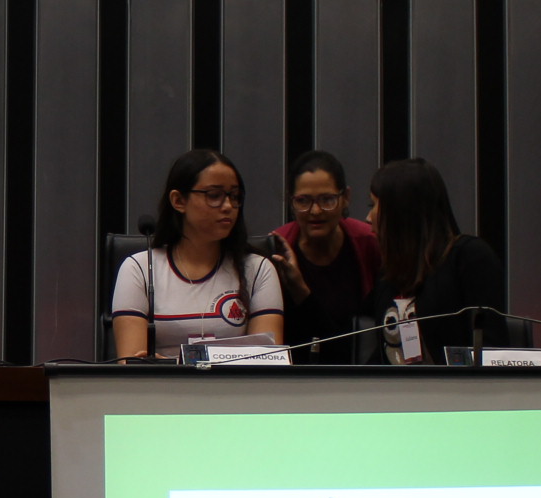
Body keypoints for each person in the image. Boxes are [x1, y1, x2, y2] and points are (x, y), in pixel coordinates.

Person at [110, 149, 287, 360]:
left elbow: (266, 361)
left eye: (234, 196)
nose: (228, 206)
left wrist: (176, 366)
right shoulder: (140, 268)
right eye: (214, 196)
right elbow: (131, 364)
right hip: (161, 383)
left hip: (234, 383)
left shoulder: (258, 270)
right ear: (178, 201)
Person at [360, 156, 505, 364]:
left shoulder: (469, 258)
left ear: (400, 211)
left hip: (457, 385)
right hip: (397, 386)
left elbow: (491, 352)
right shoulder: (391, 274)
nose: (368, 217)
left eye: (373, 205)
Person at [270, 149, 382, 363]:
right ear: (291, 201)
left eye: (327, 199)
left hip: (359, 370)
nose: (316, 211)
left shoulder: (369, 243)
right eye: (303, 201)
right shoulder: (277, 251)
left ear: (346, 198)